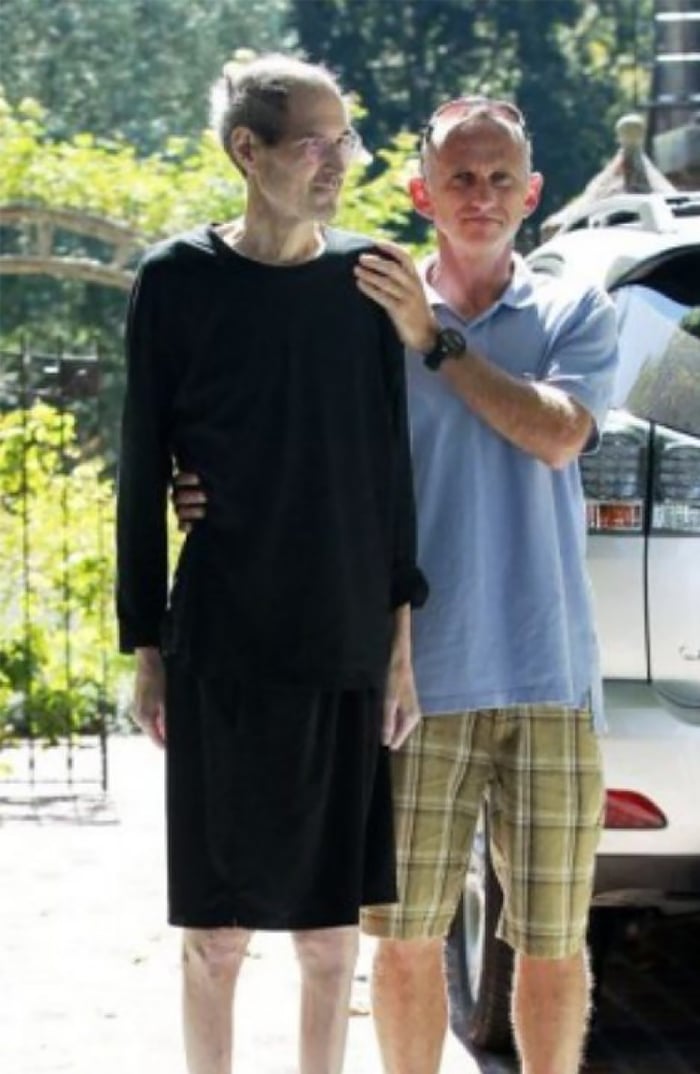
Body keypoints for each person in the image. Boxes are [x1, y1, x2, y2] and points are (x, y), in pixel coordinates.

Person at [174, 94, 618, 1074]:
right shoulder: (363, 306)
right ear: (422, 193)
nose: (480, 194)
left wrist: (438, 342)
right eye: (460, 177)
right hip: (411, 684)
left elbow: (556, 435)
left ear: (532, 194)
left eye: (500, 177)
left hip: (550, 675)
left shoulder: (573, 309)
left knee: (552, 941)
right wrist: (206, 482)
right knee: (405, 938)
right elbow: (301, 439)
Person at [116, 53, 427, 1074]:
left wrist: (399, 650)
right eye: (314, 143)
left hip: (343, 642)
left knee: (331, 942)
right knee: (215, 937)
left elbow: (391, 478)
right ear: (247, 150)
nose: (338, 162)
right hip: (222, 646)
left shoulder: (370, 281)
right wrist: (147, 649)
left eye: (346, 140)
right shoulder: (173, 281)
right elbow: (140, 470)